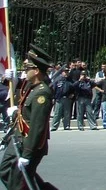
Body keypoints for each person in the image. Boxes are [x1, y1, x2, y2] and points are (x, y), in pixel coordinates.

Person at [0, 45, 58, 190]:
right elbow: (24, 113)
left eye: (27, 68)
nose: (25, 71)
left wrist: (27, 154)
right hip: (19, 138)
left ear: (37, 71)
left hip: (29, 144)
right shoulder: (31, 86)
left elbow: (37, 127)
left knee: (18, 184)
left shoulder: (42, 93)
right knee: (5, 171)